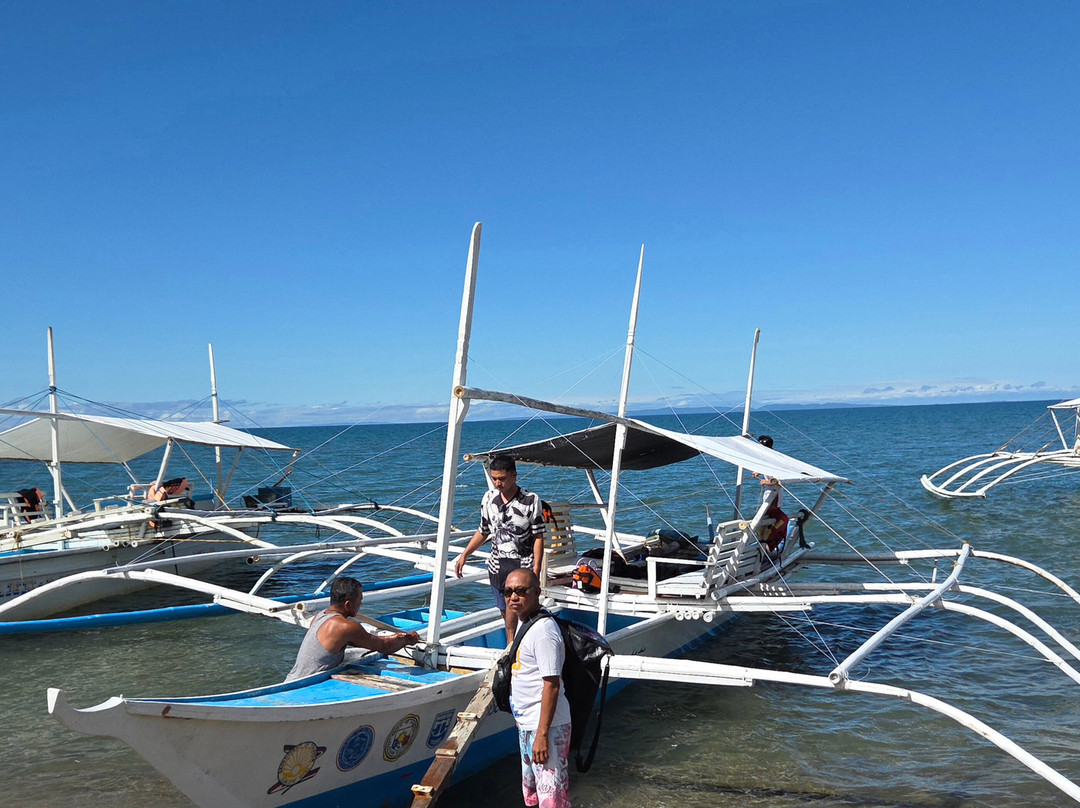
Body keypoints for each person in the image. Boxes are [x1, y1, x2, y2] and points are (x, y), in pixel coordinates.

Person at [454, 456, 546, 643]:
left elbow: (538, 536)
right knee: (505, 610)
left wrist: (537, 568)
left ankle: (520, 645)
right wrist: (465, 554)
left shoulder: (530, 500)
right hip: (497, 566)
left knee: (522, 609)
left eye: (502, 479)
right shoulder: (489, 498)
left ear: (514, 475)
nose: (498, 483)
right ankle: (512, 646)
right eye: (494, 478)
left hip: (522, 565)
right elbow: (483, 530)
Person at [504, 568, 572, 808]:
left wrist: (542, 734)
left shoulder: (543, 632)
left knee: (552, 798)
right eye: (508, 592)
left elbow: (551, 685)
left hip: (547, 728)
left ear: (537, 593)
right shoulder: (525, 623)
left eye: (521, 591)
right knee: (532, 793)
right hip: (528, 723)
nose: (514, 597)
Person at [285, 576, 420, 682]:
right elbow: (383, 646)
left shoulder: (320, 616)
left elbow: (367, 641)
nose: (361, 603)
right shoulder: (345, 627)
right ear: (348, 604)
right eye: (359, 600)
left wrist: (394, 638)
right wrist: (407, 640)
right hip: (306, 684)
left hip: (291, 679)